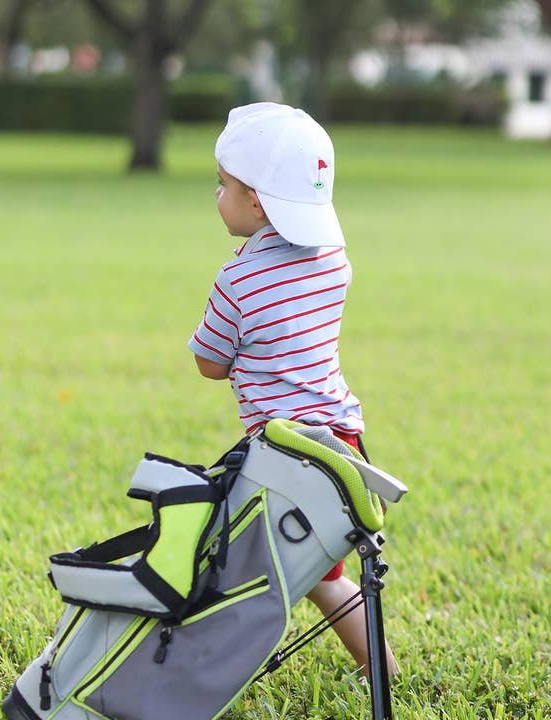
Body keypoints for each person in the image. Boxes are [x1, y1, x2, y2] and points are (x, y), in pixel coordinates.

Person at [188, 102, 398, 677]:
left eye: (223, 184)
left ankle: (196, 672)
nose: (217, 194)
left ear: (256, 200)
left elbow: (209, 363)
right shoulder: (335, 259)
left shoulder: (238, 279)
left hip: (284, 455)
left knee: (240, 571)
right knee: (322, 576)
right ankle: (379, 668)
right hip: (342, 439)